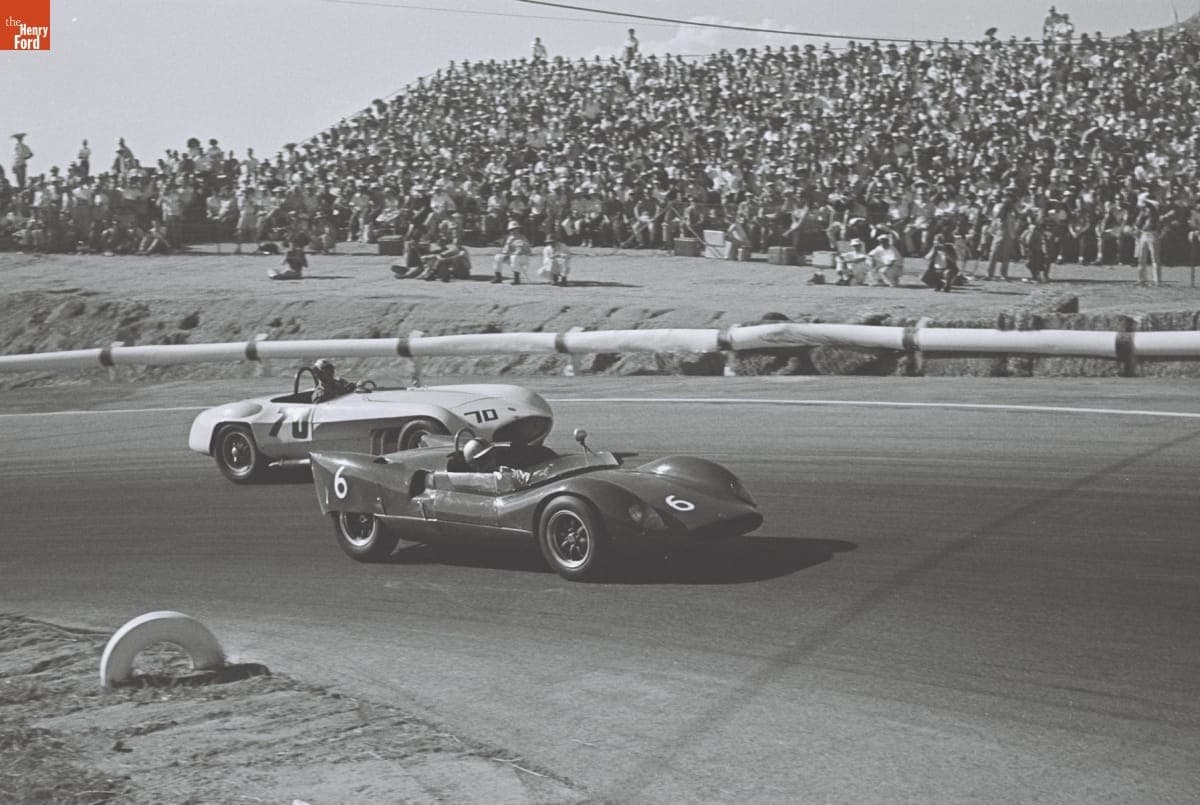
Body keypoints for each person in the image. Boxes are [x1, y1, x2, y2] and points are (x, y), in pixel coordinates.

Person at [1135, 192, 1162, 287]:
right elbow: (1138, 223)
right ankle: (1141, 279)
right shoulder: (1144, 210)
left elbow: (1149, 223)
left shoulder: (1154, 209)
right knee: (1141, 258)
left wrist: (1145, 199)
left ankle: (1157, 280)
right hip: (1144, 234)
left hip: (1152, 234)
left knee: (1155, 258)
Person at [493, 220, 530, 284]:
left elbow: (523, 250)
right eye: (511, 229)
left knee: (514, 257)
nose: (513, 231)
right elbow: (505, 250)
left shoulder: (522, 237)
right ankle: (498, 277)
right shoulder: (509, 238)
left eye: (515, 229)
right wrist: (504, 255)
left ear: (518, 229)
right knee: (497, 257)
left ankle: (516, 279)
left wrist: (513, 253)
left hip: (523, 257)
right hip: (512, 257)